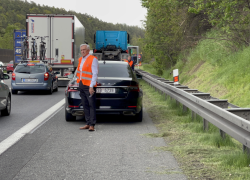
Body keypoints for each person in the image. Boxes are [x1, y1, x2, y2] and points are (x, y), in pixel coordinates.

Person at [77, 44, 98, 131]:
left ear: (88, 50)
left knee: (91, 104)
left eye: (84, 50)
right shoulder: (80, 59)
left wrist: (91, 86)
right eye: (81, 50)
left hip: (89, 86)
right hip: (81, 84)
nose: (82, 51)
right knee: (85, 104)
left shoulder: (93, 59)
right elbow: (80, 72)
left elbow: (94, 74)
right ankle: (87, 123)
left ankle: (92, 125)